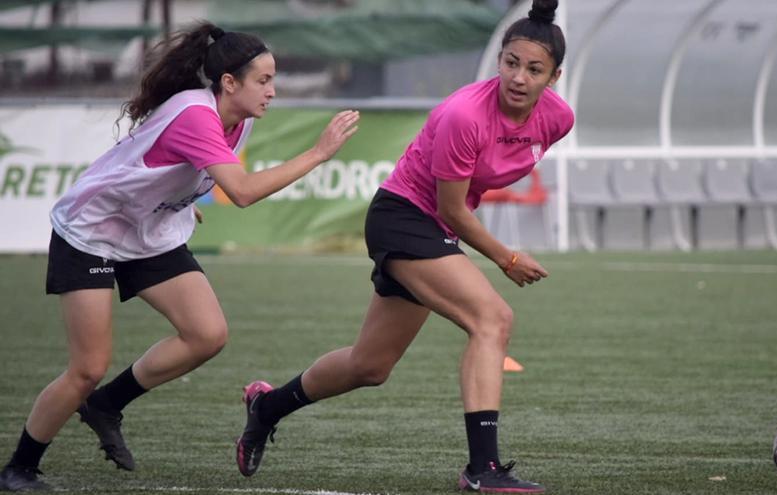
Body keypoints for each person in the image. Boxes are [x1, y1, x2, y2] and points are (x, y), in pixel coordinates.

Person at [0, 22, 359, 492]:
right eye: (264, 81)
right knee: (87, 366)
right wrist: (319, 153)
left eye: (274, 80)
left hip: (148, 229)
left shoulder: (241, 119)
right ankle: (19, 468)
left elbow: (176, 168)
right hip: (91, 231)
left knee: (206, 334)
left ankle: (106, 405)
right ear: (229, 82)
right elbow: (243, 192)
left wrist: (180, 200)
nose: (273, 91)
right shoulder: (196, 115)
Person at [234, 1, 572, 492]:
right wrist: (508, 257)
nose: (518, 77)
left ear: (554, 77)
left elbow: (487, 178)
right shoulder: (463, 115)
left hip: (436, 229)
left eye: (534, 69)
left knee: (369, 366)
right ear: (499, 60)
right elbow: (453, 209)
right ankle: (482, 471)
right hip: (404, 217)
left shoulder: (558, 120)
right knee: (492, 319)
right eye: (511, 63)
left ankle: (266, 407)